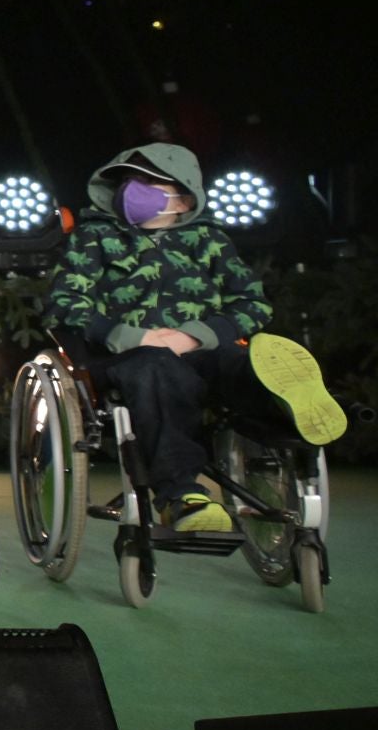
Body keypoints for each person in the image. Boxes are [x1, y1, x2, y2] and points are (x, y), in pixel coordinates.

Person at [45, 143, 346, 530]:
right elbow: (64, 303)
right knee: (157, 370)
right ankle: (182, 496)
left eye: (150, 182)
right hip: (127, 357)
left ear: (184, 200)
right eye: (128, 181)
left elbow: (252, 304)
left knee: (241, 364)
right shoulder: (94, 238)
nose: (132, 190)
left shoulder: (210, 241)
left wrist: (193, 337)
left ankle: (290, 407)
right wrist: (131, 336)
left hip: (201, 351)